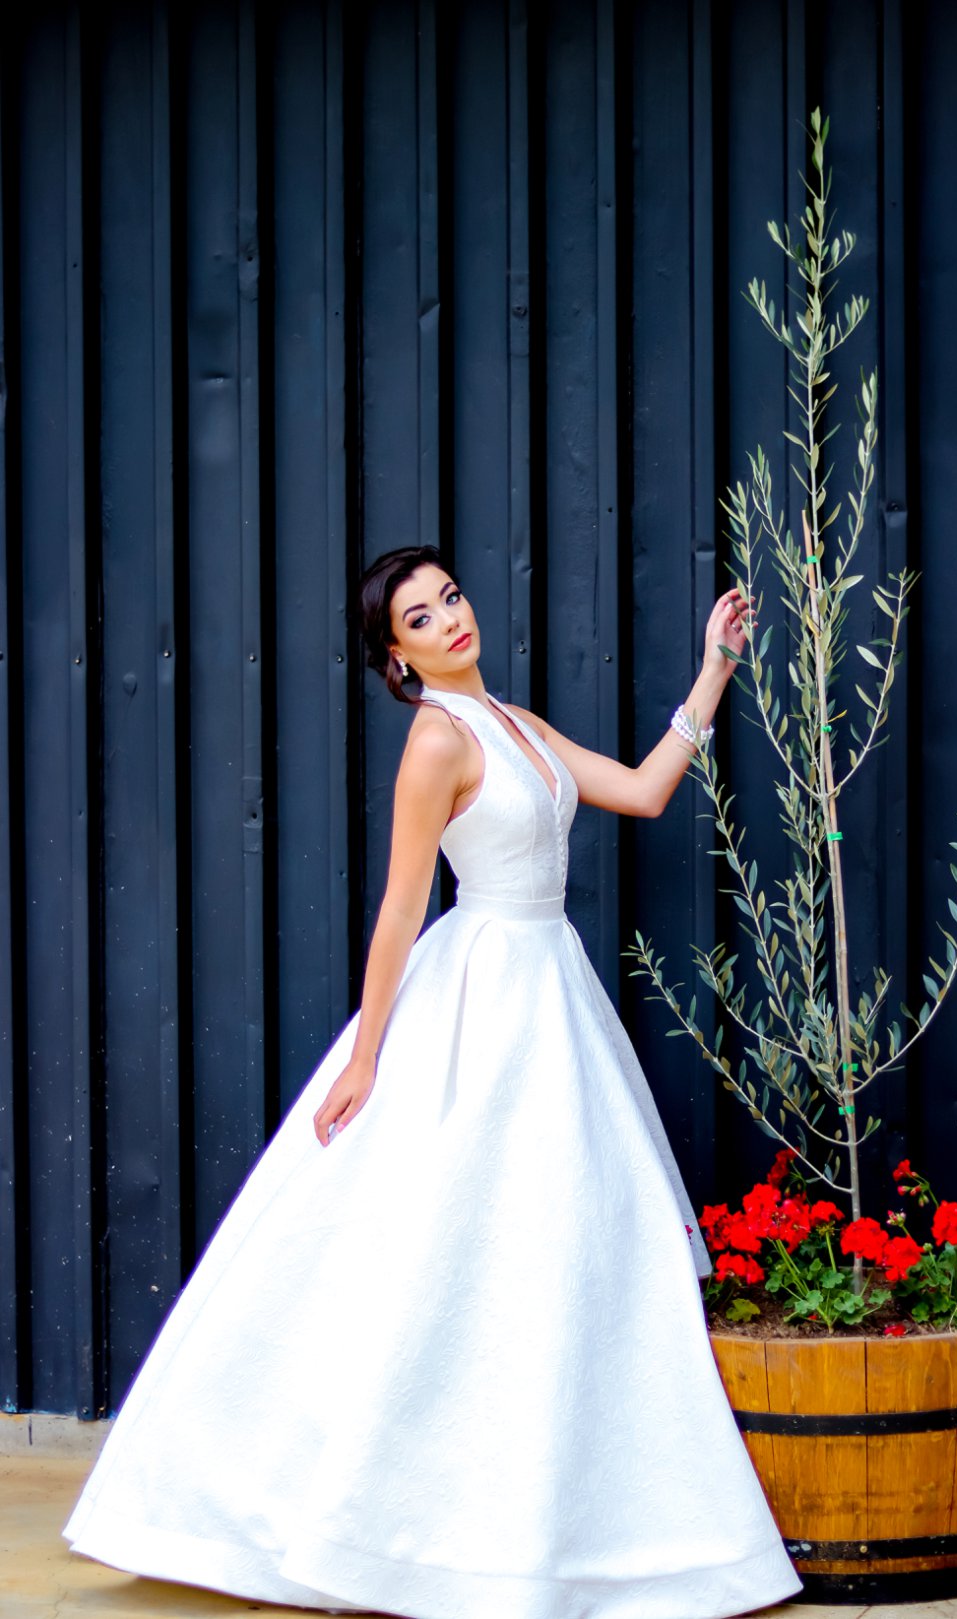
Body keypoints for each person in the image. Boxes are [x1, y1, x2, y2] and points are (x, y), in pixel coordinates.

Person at [65, 546, 801, 1618]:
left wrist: (714, 665)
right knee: (452, 1245)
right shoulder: (436, 742)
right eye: (420, 616)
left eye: (450, 596)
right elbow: (402, 907)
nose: (450, 618)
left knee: (557, 1249)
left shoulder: (514, 721)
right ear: (397, 655)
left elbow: (643, 793)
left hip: (551, 986)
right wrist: (368, 1054)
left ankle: (556, 1508)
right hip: (482, 994)